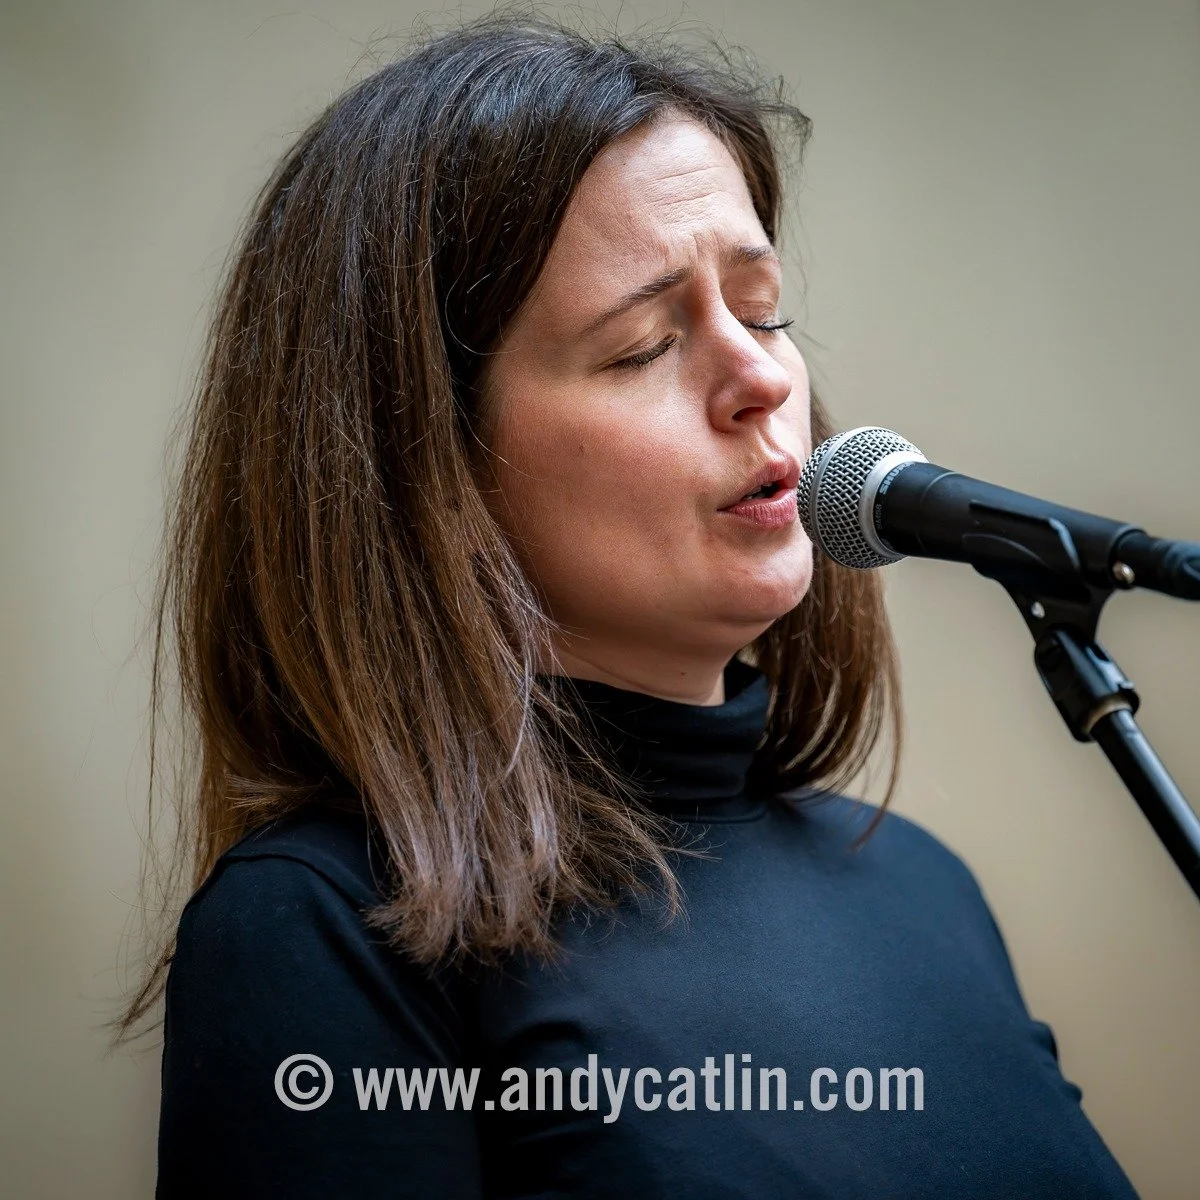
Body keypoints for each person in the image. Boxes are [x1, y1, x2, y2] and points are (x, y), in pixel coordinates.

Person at [116, 13, 1139, 1199]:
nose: (764, 378)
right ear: (427, 468)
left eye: (762, 310)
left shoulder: (923, 889)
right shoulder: (327, 929)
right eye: (646, 343)